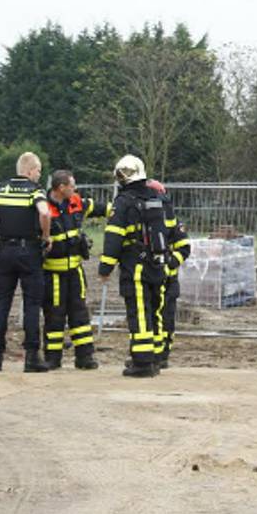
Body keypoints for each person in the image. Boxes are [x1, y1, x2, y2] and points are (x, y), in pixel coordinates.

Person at [0, 152, 52, 373]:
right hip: (29, 251)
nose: (39, 175)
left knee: (1, 305)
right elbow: (45, 213)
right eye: (38, 171)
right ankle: (31, 358)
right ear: (30, 171)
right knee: (31, 305)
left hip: (5, 252)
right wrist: (46, 237)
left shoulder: (0, 189)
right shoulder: (35, 190)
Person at [98, 154, 171, 379]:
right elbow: (169, 229)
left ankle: (142, 363)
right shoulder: (159, 198)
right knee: (156, 312)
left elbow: (114, 237)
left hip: (135, 266)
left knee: (139, 313)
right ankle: (156, 358)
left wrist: (105, 268)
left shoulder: (124, 201)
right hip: (158, 264)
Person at [42, 169, 106, 370]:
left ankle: (85, 357)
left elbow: (103, 208)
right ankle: (52, 358)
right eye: (72, 185)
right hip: (52, 274)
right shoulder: (42, 207)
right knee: (54, 315)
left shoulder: (77, 202)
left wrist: (124, 208)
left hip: (75, 271)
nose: (75, 188)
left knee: (80, 314)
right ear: (61, 188)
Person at [147, 179, 190, 369]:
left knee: (167, 318)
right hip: (150, 276)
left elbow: (184, 248)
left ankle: (163, 355)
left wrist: (171, 262)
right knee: (150, 317)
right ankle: (151, 353)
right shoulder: (144, 219)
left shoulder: (173, 221)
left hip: (169, 278)